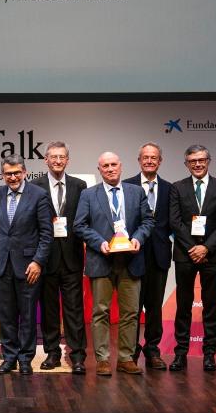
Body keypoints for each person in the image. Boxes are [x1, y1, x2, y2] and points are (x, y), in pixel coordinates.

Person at [74, 152, 153, 377]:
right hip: (102, 260)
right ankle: (103, 359)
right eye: (105, 166)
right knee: (100, 312)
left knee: (131, 312)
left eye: (113, 164)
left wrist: (138, 237)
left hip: (131, 260)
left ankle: (126, 358)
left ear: (121, 166)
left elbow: (148, 220)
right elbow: (79, 225)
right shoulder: (89, 195)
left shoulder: (136, 192)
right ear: (99, 169)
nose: (110, 169)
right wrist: (99, 243)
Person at [169, 144, 216, 372]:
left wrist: (205, 248)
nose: (197, 164)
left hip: (212, 256)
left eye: (201, 160)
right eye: (192, 161)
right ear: (186, 163)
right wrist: (193, 248)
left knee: (211, 306)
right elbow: (175, 222)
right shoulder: (177, 188)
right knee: (183, 306)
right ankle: (180, 354)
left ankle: (209, 355)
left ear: (208, 161)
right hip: (186, 255)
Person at [0, 154, 53, 375]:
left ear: (25, 172)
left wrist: (38, 261)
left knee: (27, 315)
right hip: (2, 264)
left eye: (17, 172)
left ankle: (26, 358)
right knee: (6, 315)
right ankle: (9, 357)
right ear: (2, 174)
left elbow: (47, 233)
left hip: (29, 266)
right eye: (8, 173)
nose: (13, 177)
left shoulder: (39, 195)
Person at [31, 141, 88, 374]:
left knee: (74, 309)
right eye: (53, 157)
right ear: (46, 160)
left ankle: (77, 356)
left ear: (67, 160)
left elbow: (84, 220)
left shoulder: (79, 185)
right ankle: (52, 353)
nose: (57, 161)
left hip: (72, 257)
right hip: (46, 257)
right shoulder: (35, 186)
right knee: (49, 309)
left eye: (61, 157)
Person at [123, 142, 174, 370]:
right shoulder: (126, 186)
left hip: (159, 256)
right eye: (145, 157)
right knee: (132, 306)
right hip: (133, 254)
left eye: (154, 157)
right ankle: (130, 351)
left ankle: (152, 350)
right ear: (139, 160)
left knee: (154, 306)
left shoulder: (170, 189)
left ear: (160, 161)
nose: (150, 161)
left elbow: (173, 222)